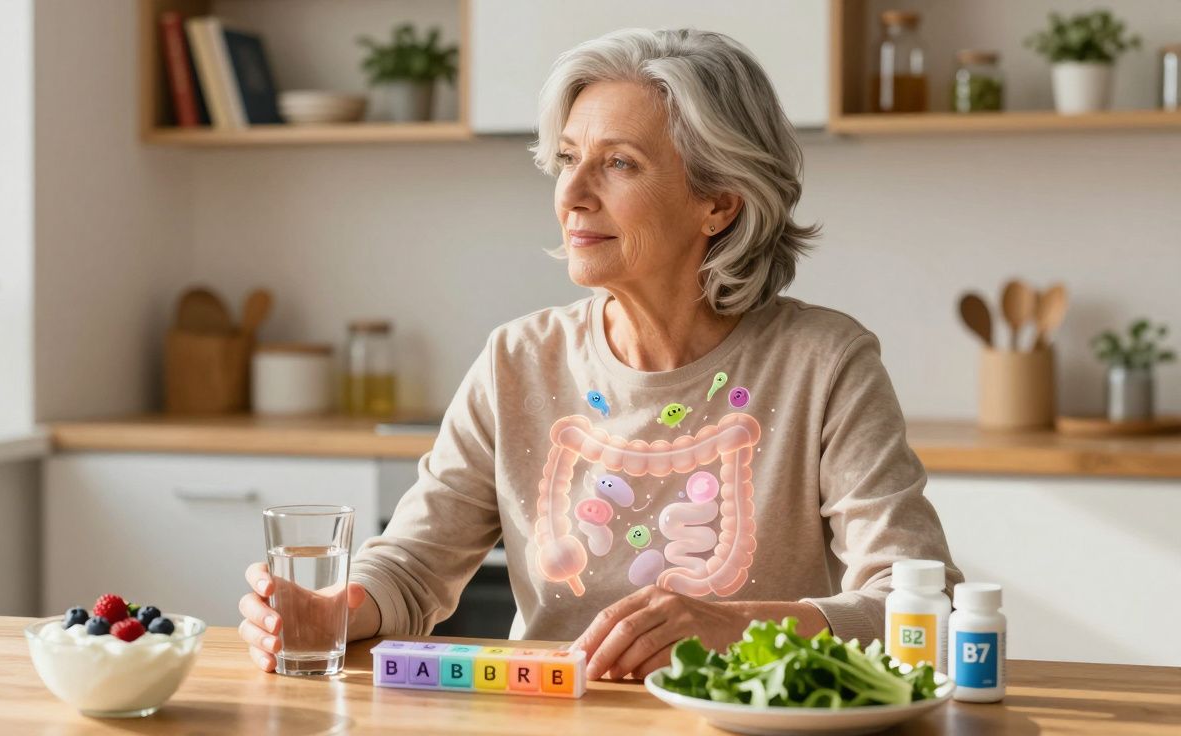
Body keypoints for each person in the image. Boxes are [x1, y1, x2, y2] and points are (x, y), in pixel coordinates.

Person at [239, 28, 962, 681]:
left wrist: (738, 627)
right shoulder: (517, 359)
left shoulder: (825, 364)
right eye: (566, 159)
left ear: (719, 202)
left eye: (618, 163)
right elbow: (413, 564)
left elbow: (923, 602)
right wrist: (337, 609)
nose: (574, 195)